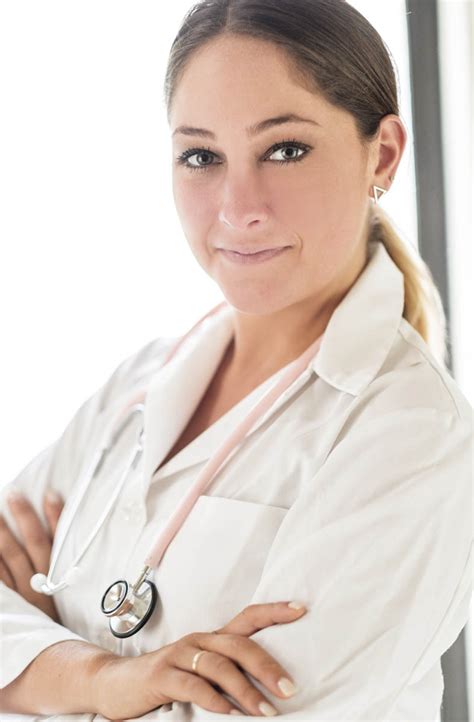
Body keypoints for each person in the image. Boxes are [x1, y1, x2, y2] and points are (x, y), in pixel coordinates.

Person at [0, 0, 472, 720]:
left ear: (381, 156)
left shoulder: (413, 437)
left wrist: (34, 668)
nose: (237, 206)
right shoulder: (137, 385)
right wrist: (103, 680)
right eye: (202, 156)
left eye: (284, 149)